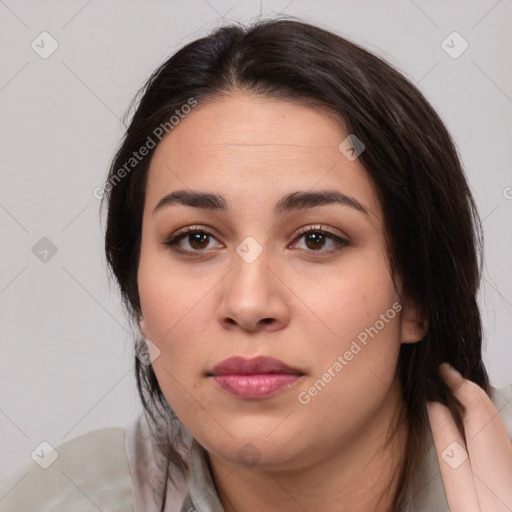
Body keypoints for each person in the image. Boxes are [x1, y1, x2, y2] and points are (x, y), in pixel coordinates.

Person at [1, 17, 511, 512]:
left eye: (316, 239)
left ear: (417, 294)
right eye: (195, 239)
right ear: (136, 291)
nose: (248, 304)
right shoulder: (58, 498)